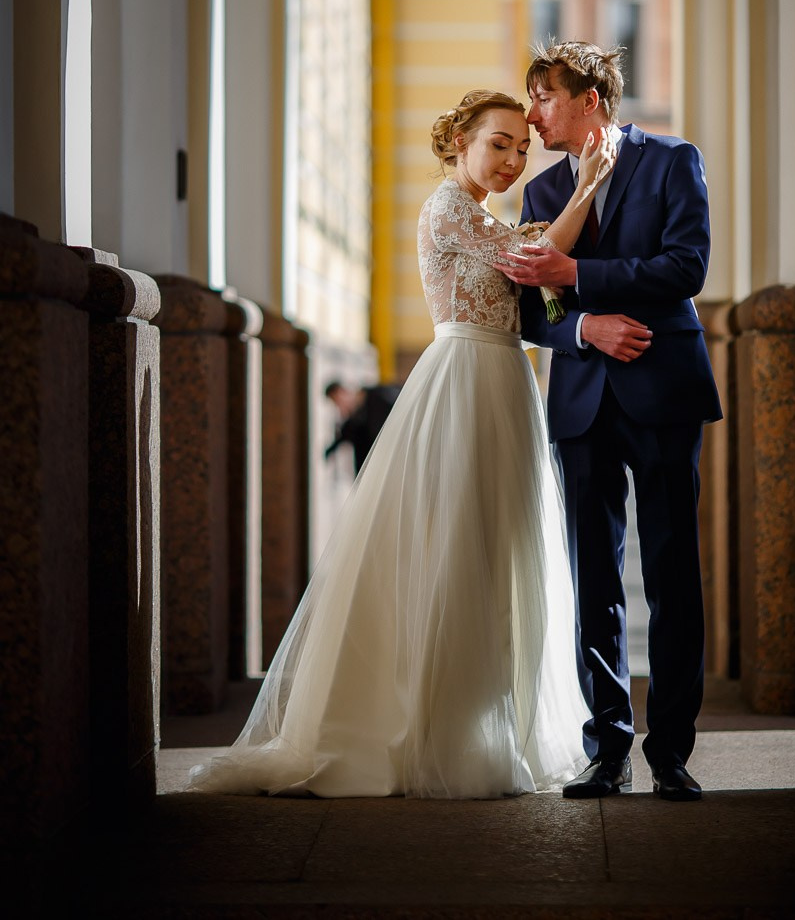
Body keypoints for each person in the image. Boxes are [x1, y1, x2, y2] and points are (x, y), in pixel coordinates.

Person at [189, 88, 615, 799]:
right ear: (459, 142)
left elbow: (542, 288)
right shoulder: (447, 207)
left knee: (501, 548)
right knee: (455, 547)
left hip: (507, 380)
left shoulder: (483, 214)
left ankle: (485, 722)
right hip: (463, 379)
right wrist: (594, 182)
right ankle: (433, 730)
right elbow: (536, 256)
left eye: (521, 146)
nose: (512, 158)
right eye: (498, 143)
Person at [495, 42, 722, 802]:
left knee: (671, 575)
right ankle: (608, 749)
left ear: (590, 98)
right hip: (583, 400)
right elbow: (530, 309)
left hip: (663, 389)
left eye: (543, 98)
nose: (533, 116)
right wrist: (583, 328)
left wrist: (578, 277)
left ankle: (673, 753)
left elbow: (687, 267)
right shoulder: (542, 192)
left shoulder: (673, 161)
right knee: (594, 578)